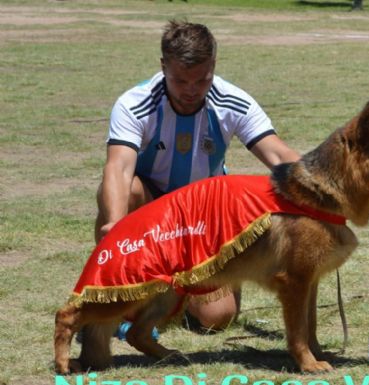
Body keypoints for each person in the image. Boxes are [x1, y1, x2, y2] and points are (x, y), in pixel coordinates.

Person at [95, 20, 300, 331]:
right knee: (128, 192)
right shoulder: (135, 104)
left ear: (213, 66)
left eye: (201, 80)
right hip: (152, 213)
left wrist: (322, 191)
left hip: (204, 219)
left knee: (217, 319)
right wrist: (113, 225)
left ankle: (173, 292)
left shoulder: (233, 102)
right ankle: (116, 297)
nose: (190, 91)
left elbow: (278, 155)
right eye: (180, 81)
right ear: (163, 66)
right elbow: (119, 167)